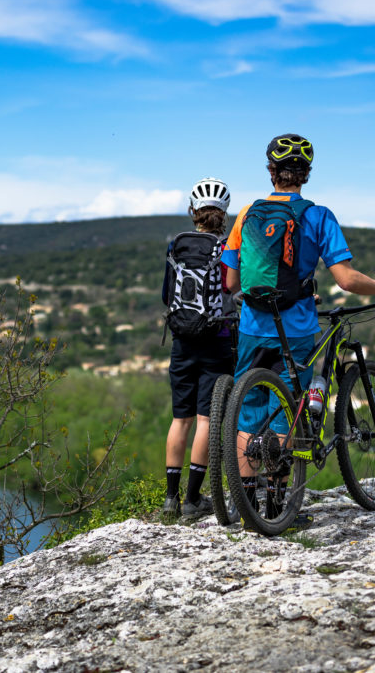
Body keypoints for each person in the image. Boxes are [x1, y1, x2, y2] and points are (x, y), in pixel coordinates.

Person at [221, 134, 375, 521]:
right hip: (298, 326)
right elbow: (347, 279)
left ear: (271, 172)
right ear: (305, 174)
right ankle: (276, 505)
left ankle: (247, 505)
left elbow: (231, 283)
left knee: (249, 410)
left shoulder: (246, 214)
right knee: (287, 406)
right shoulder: (318, 215)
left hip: (254, 325)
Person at [161, 177, 235, 519]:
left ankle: (170, 500)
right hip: (216, 341)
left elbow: (166, 296)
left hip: (182, 341)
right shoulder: (228, 249)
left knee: (181, 419)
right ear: (224, 212)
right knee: (206, 419)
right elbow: (234, 289)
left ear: (193, 212)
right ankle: (193, 500)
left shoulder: (176, 244)